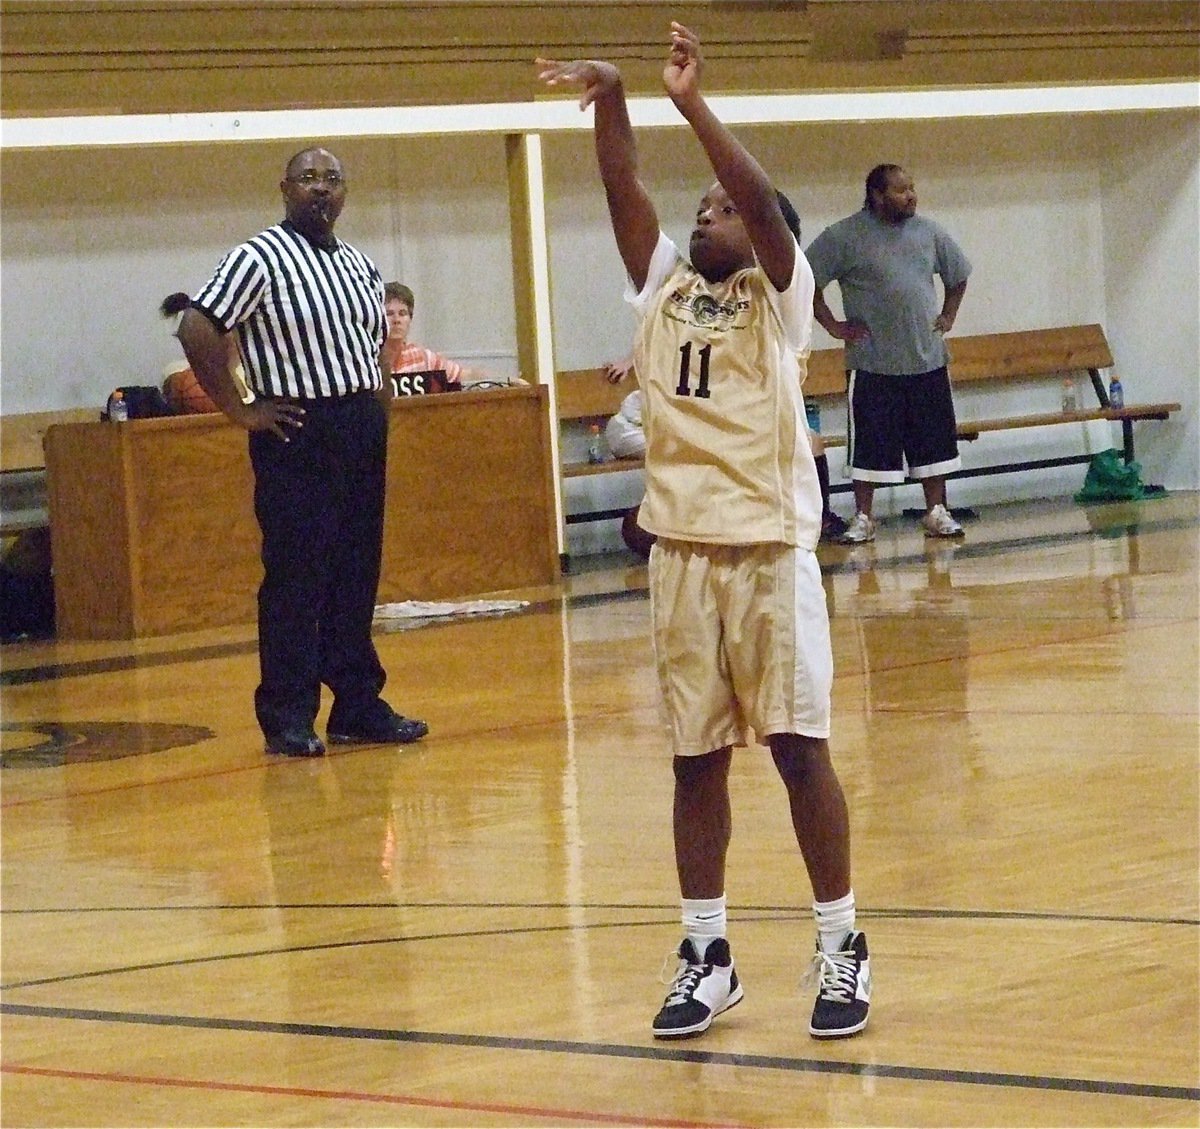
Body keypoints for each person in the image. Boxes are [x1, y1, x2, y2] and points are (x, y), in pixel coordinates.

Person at [538, 24, 870, 1042]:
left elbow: (763, 207)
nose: (706, 211)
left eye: (722, 207)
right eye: (704, 206)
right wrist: (613, 100)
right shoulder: (664, 286)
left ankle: (842, 942)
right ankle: (706, 952)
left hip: (768, 550)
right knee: (694, 764)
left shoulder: (784, 300)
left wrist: (693, 105)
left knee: (799, 751)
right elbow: (623, 188)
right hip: (681, 555)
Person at [177, 146, 428, 758]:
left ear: (345, 193)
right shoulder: (258, 257)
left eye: (333, 179)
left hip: (358, 422)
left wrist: (377, 408)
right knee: (296, 575)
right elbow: (195, 326)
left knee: (355, 571)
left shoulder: (360, 264)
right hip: (296, 427)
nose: (322, 189)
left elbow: (373, 348)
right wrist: (241, 409)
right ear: (285, 188)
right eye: (309, 179)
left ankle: (357, 704)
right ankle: (288, 715)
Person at [805, 163, 971, 544]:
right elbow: (807, 280)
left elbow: (958, 275)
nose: (911, 195)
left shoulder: (929, 232)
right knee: (870, 446)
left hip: (926, 358)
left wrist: (948, 314)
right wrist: (833, 326)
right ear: (877, 196)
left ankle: (936, 511)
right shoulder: (843, 236)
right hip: (872, 365)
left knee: (934, 442)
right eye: (901, 190)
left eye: (912, 187)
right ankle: (864, 517)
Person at [604, 351, 848, 541]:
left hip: (673, 427)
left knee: (809, 439)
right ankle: (674, 525)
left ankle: (819, 519)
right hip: (632, 429)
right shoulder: (692, 360)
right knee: (703, 456)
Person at [382, 282, 494, 389]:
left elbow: (462, 376)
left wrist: (498, 380)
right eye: (389, 314)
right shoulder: (368, 359)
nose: (396, 320)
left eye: (402, 314)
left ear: (410, 319)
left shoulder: (422, 356)